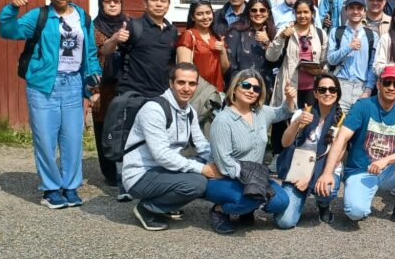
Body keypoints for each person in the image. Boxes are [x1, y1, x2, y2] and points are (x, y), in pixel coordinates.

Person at [0, 0, 101, 208]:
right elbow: (9, 31)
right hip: (44, 85)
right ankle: (51, 190)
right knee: (45, 139)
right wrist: (11, 9)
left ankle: (70, 186)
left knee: (72, 139)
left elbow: (90, 53)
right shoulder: (39, 16)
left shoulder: (83, 17)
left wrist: (94, 80)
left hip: (74, 84)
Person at [314, 66, 395, 228]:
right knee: (355, 213)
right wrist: (327, 173)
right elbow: (341, 138)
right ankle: (361, 197)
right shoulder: (362, 106)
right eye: (387, 82)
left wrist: (386, 161)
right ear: (378, 84)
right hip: (361, 171)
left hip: (388, 170)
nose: (391, 87)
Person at [122, 64, 222, 231]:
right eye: (181, 82)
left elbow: (202, 145)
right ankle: (147, 209)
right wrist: (203, 169)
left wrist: (218, 162)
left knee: (203, 163)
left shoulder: (189, 111)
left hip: (162, 170)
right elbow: (161, 155)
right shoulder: (154, 109)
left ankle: (165, 204)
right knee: (197, 183)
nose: (186, 88)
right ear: (171, 83)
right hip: (140, 175)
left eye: (192, 84)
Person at [205, 69, 292, 234]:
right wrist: (255, 181)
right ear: (234, 89)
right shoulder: (223, 120)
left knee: (280, 202)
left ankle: (247, 208)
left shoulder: (261, 112)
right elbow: (224, 164)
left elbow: (284, 112)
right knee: (251, 198)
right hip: (225, 178)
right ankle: (219, 210)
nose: (251, 91)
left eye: (256, 88)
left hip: (254, 177)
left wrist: (289, 98)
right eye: (246, 85)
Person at [274, 72, 345, 228]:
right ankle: (296, 195)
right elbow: (285, 143)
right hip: (298, 168)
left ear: (337, 93)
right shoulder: (303, 112)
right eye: (322, 89)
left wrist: (310, 178)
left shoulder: (343, 120)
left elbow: (337, 157)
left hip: (324, 169)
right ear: (315, 93)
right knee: (284, 221)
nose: (327, 93)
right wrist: (296, 123)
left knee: (327, 189)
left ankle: (323, 203)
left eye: (332, 89)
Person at [266, 0, 327, 156]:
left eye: (306, 12)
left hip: (311, 88)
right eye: (299, 12)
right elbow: (271, 56)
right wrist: (281, 37)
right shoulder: (286, 30)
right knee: (283, 120)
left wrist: (318, 70)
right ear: (294, 13)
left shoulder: (320, 34)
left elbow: (323, 61)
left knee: (307, 122)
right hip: (289, 85)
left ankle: (303, 155)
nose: (302, 16)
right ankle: (279, 156)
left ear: (312, 13)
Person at [104, 0, 177, 99]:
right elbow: (105, 51)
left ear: (168, 5)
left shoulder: (172, 31)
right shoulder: (133, 26)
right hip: (135, 94)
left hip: (162, 95)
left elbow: (171, 62)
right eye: (154, 0)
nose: (159, 4)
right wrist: (114, 39)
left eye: (163, 1)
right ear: (145, 3)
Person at [92, 0, 127, 187]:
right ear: (101, 4)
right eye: (107, 1)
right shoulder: (93, 28)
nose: (112, 4)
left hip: (126, 83)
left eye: (116, 1)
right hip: (103, 87)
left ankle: (128, 171)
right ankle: (110, 173)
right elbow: (89, 59)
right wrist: (94, 91)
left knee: (126, 128)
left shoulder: (129, 24)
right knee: (104, 129)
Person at [327, 0, 377, 112]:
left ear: (364, 11)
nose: (355, 12)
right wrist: (348, 47)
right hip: (340, 84)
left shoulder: (372, 35)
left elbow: (373, 65)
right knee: (338, 121)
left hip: (362, 86)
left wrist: (369, 89)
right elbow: (331, 59)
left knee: (360, 122)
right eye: (352, 8)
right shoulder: (336, 32)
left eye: (359, 8)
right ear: (346, 10)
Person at [176, 0, 227, 93]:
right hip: (198, 92)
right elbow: (185, 72)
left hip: (217, 91)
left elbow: (224, 69)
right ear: (192, 17)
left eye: (208, 13)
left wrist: (223, 51)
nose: (205, 17)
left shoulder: (216, 37)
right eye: (200, 14)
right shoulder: (188, 36)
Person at [225, 0, 277, 88]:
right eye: (254, 10)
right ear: (248, 12)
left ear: (268, 13)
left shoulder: (273, 34)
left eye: (262, 10)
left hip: (265, 87)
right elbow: (231, 65)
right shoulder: (236, 32)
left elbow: (277, 62)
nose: (258, 13)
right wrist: (240, 85)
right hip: (242, 86)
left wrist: (267, 42)